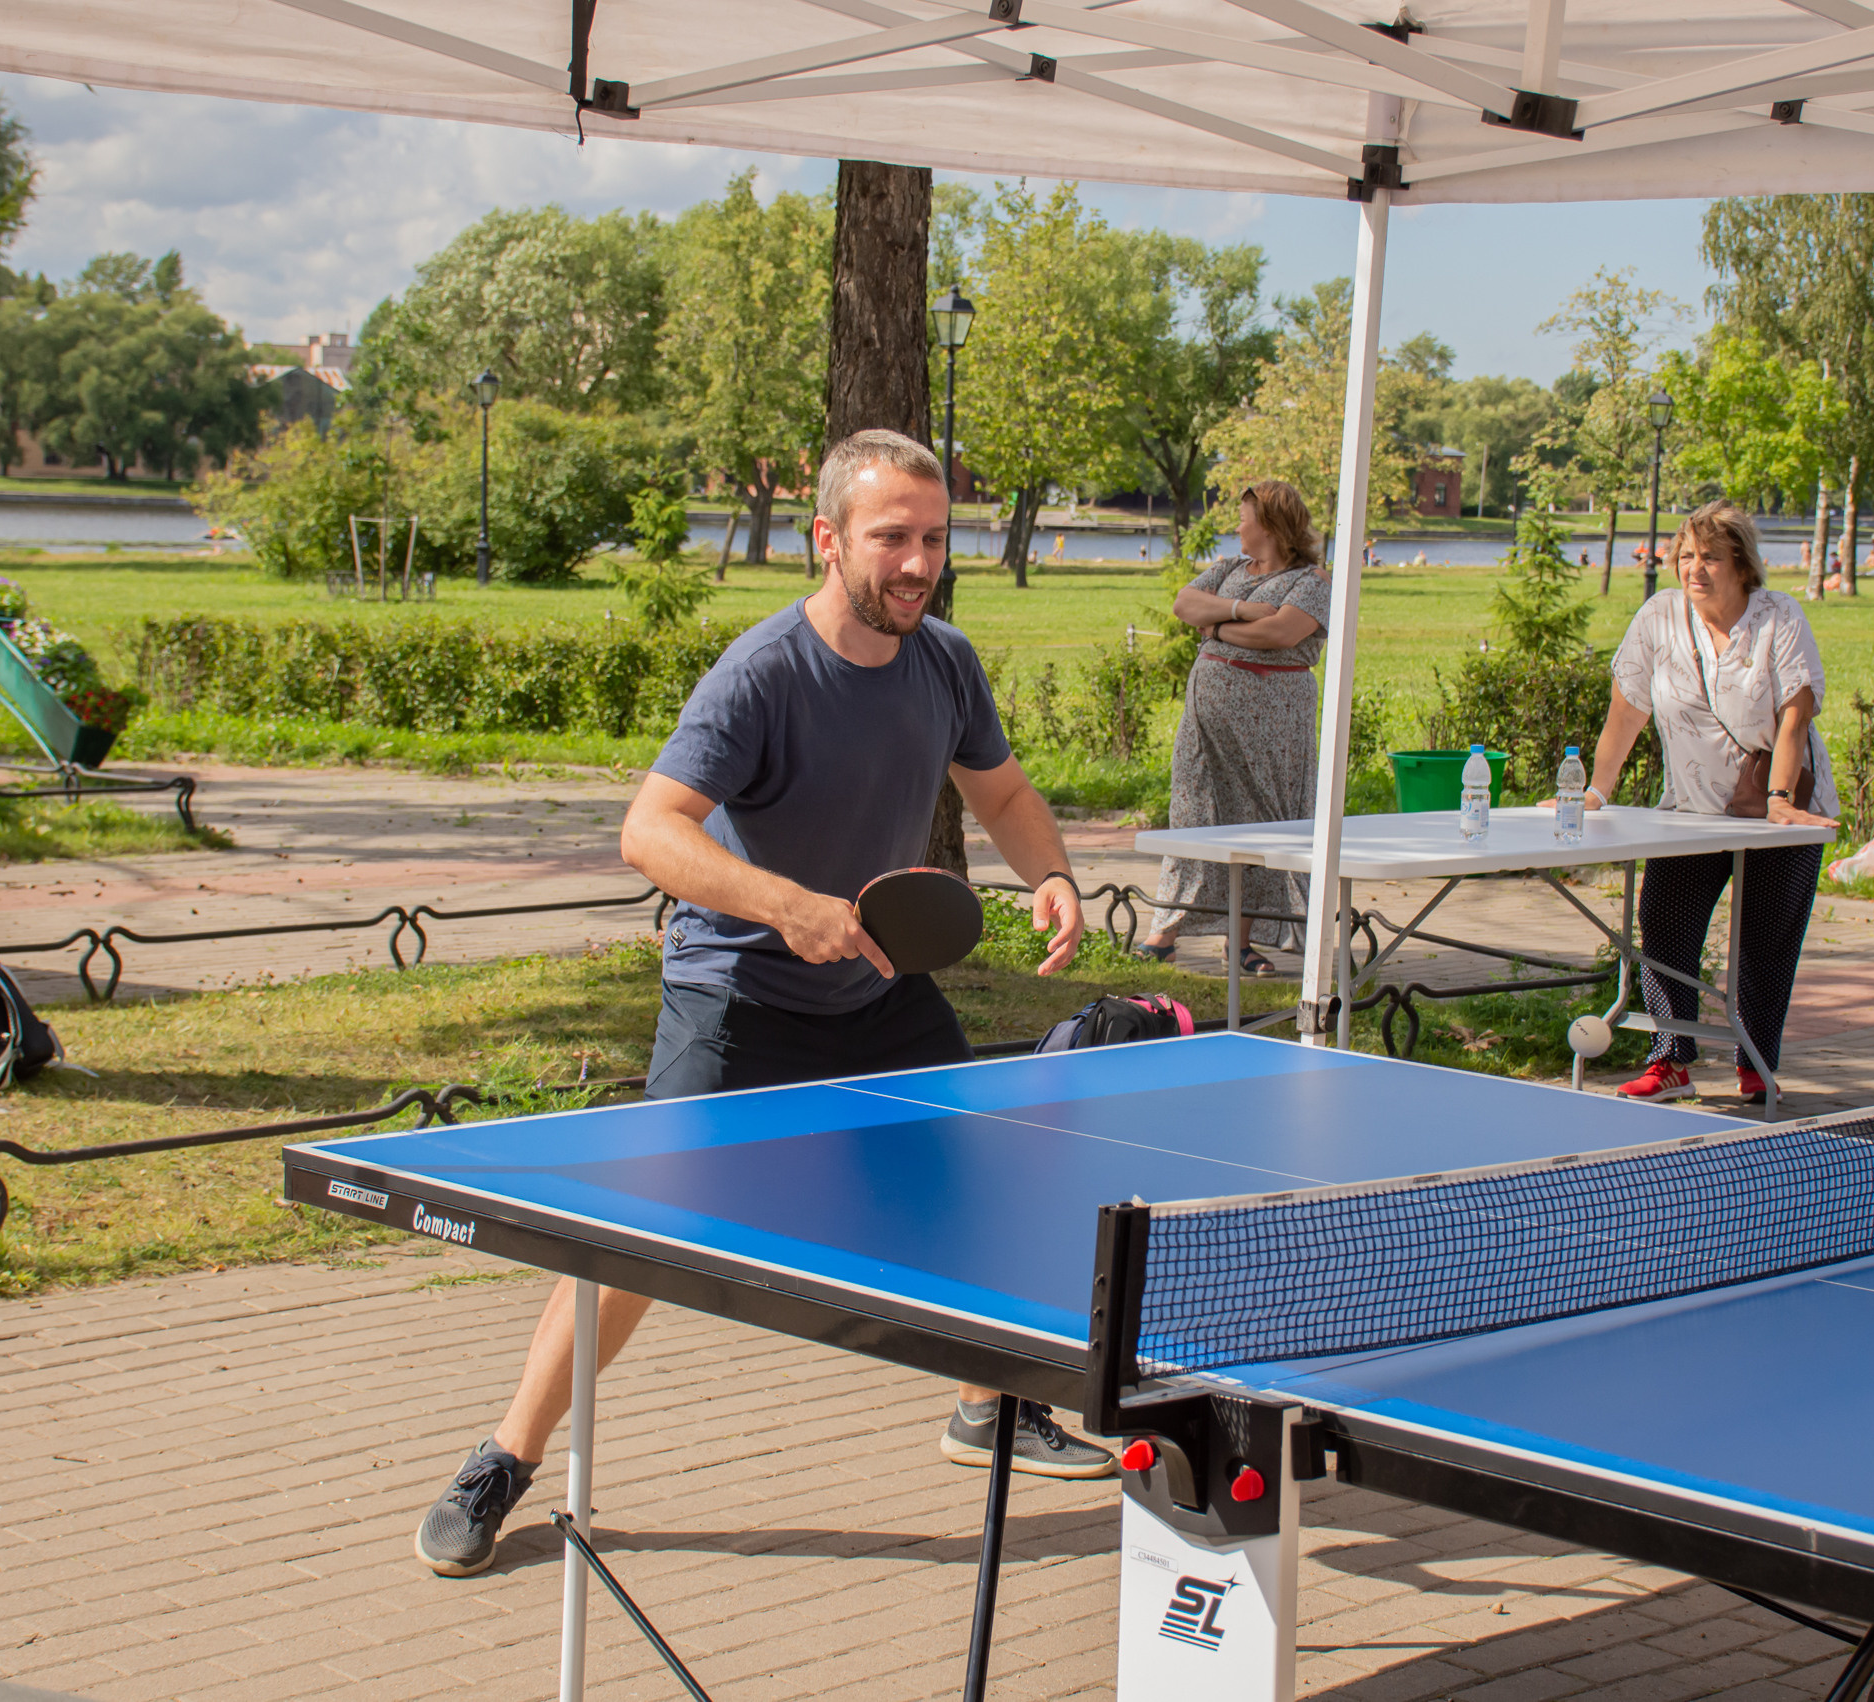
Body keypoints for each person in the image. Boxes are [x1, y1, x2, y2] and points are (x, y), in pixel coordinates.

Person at [414, 430, 1111, 1580]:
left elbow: (1005, 789)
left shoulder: (945, 662)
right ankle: (503, 1456)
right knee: (635, 1241)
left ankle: (988, 1404)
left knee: (984, 1176)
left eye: (934, 538)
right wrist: (785, 904)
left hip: (879, 988)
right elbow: (650, 831)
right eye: (893, 537)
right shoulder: (763, 673)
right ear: (828, 539)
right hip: (735, 993)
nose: (919, 562)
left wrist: (1050, 874)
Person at [1568, 501, 1839, 1105]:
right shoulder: (1659, 617)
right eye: (1685, 556)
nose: (1695, 568)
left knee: (1766, 941)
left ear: (1742, 565)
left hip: (1780, 813)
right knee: (1663, 923)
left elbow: (1795, 714)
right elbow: (1626, 711)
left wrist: (1778, 800)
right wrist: (1596, 790)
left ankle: (1756, 1065)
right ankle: (1672, 1058)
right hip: (1688, 811)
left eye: (1710, 557)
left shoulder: (1779, 616)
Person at [1139, 481, 1333, 975]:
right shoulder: (1229, 569)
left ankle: (1241, 941)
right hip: (1208, 722)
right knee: (1194, 811)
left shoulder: (1311, 579)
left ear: (1269, 523)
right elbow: (1186, 605)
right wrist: (1239, 611)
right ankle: (1164, 932)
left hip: (1274, 725)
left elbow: (1282, 632)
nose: (1236, 525)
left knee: (1259, 821)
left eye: (1243, 516)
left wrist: (1217, 628)